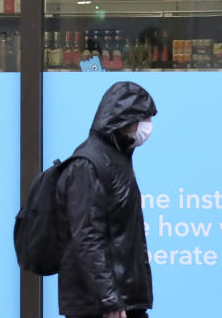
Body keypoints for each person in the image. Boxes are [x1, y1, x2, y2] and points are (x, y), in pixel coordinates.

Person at [55, 81, 157, 318]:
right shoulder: (88, 164)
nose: (148, 126)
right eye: (145, 119)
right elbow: (87, 237)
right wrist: (109, 299)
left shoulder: (117, 157)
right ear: (126, 119)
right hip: (100, 306)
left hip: (124, 300)